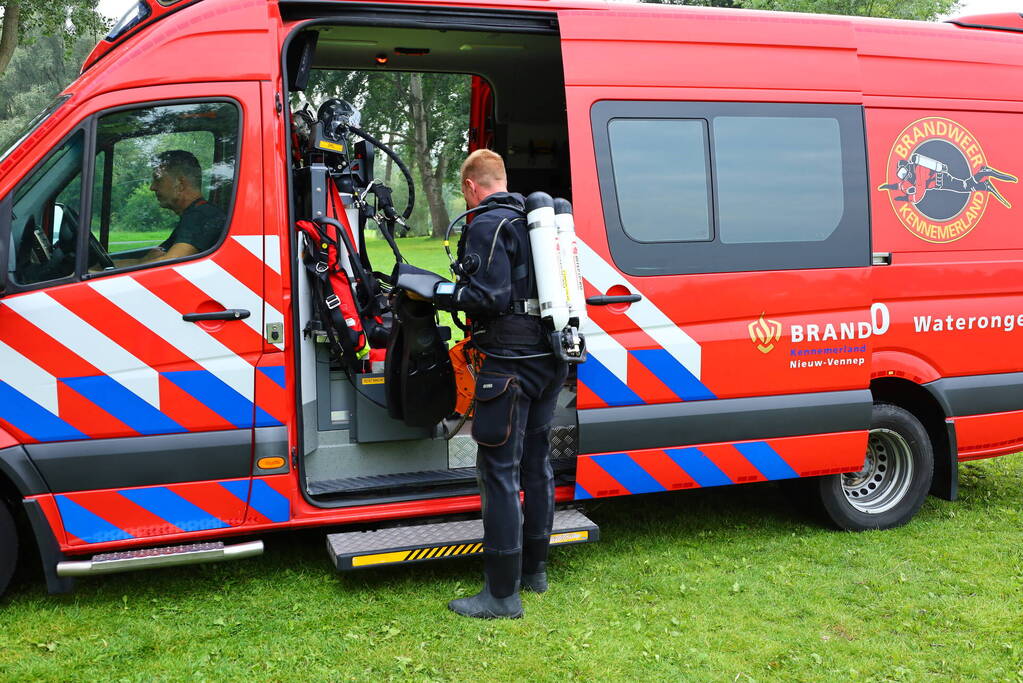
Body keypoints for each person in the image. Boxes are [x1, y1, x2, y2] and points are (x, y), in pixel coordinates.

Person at [434, 149, 569, 619]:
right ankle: (535, 571)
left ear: (471, 186)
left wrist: (435, 290)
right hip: (548, 361)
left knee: (500, 474)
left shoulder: (487, 223)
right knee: (537, 465)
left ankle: (501, 595)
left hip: (507, 366)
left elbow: (486, 297)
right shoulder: (538, 221)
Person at [117, 150, 226, 266]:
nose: (152, 187)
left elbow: (170, 263)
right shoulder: (193, 215)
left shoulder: (200, 216)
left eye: (158, 179)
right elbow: (144, 261)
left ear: (180, 184)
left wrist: (97, 274)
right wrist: (100, 269)